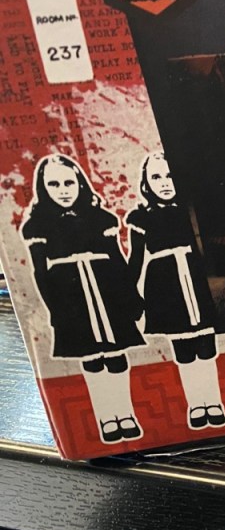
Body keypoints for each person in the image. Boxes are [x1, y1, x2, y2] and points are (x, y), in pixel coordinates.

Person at [20, 154, 145, 444]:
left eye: (69, 182)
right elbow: (40, 273)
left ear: (80, 183)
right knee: (91, 358)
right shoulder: (37, 226)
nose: (63, 190)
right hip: (71, 297)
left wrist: (130, 297)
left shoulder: (101, 219)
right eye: (54, 184)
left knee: (116, 356)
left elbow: (118, 261)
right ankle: (106, 418)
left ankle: (125, 414)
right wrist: (56, 309)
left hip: (106, 291)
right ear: (43, 188)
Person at [126, 152, 225, 430]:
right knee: (183, 349)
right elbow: (136, 259)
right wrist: (128, 297)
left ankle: (214, 402)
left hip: (197, 276)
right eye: (156, 177)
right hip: (165, 283)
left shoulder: (192, 211)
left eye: (170, 175)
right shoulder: (141, 218)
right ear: (146, 183)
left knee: (206, 346)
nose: (164, 182)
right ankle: (196, 405)